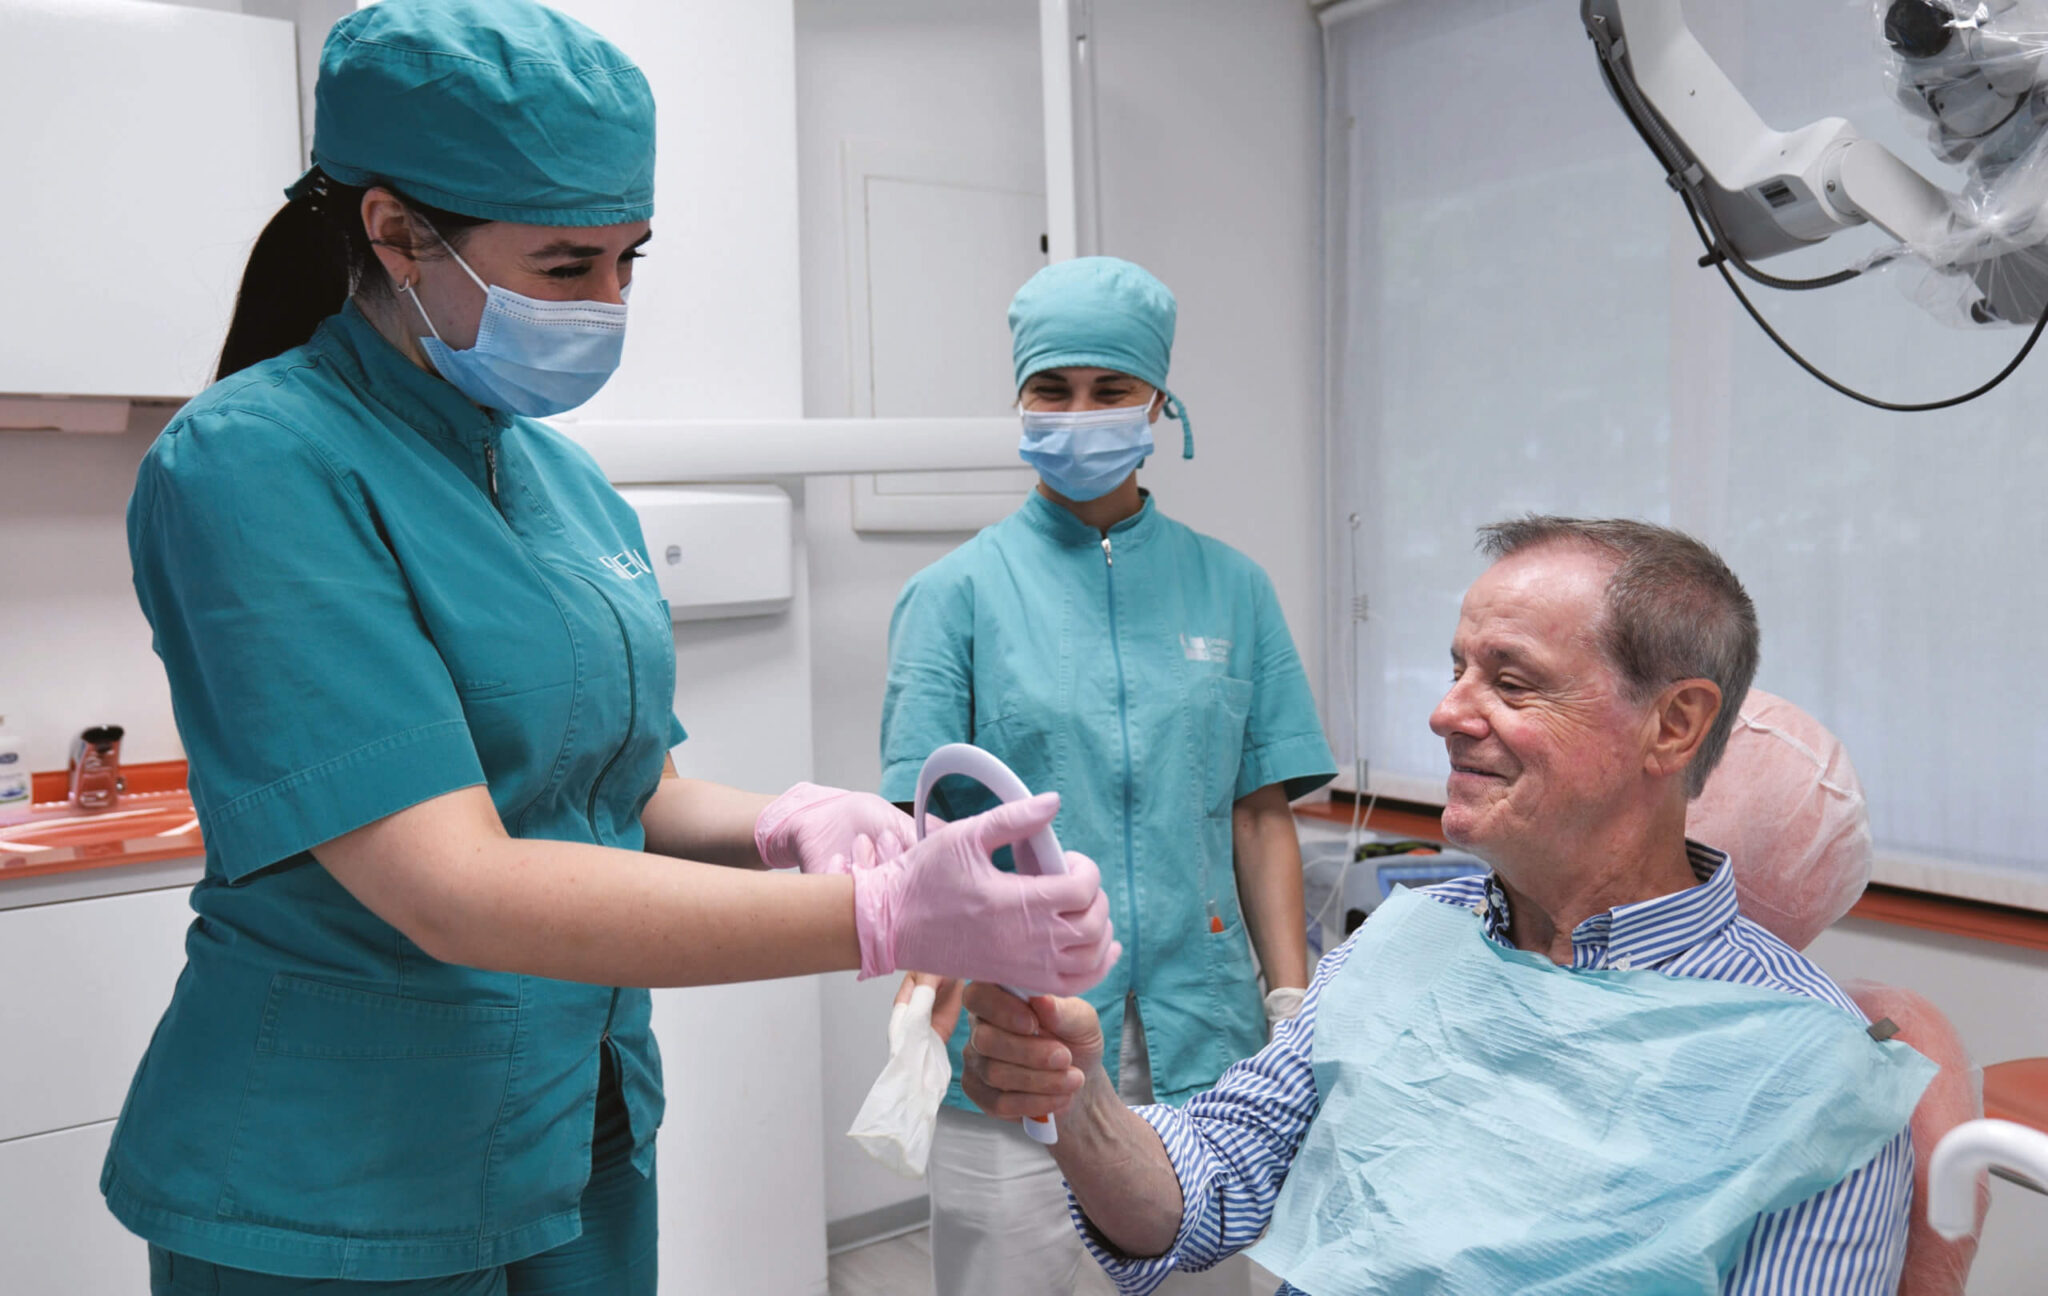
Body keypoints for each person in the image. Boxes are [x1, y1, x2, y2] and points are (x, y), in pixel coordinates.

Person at [104, 4, 1114, 1293]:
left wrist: (795, 821)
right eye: (566, 265)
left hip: (575, 1132)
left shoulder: (562, 484)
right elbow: (452, 885)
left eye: (630, 261)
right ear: (395, 231)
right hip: (338, 1177)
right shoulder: (253, 464)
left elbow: (625, 792)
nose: (609, 304)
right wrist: (875, 917)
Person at [961, 517, 1935, 1296]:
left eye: (1509, 681)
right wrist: (1077, 1099)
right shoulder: (1407, 941)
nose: (1445, 713)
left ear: (1672, 725)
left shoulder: (1816, 1078)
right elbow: (1211, 1177)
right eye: (1456, 669)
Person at [880, 256, 1336, 1296]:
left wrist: (1288, 1003)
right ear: (1020, 401)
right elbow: (916, 835)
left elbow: (1257, 815)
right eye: (1053, 390)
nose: (1079, 415)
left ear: (1157, 402)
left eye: (1109, 390)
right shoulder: (953, 595)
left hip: (1205, 1035)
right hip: (1018, 1035)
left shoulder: (1233, 588)